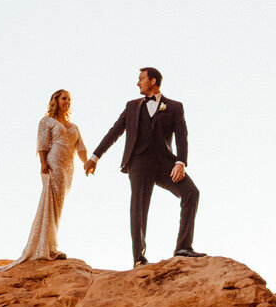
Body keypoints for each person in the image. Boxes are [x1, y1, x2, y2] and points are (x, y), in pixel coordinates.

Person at [85, 67, 204, 267]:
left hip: (166, 163)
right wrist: (95, 157)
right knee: (139, 207)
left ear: (153, 81)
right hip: (139, 162)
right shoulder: (132, 106)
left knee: (192, 193)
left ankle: (183, 247)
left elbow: (182, 137)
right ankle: (139, 259)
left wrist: (180, 162)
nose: (137, 83)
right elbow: (115, 131)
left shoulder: (174, 107)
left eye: (141, 78)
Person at [10, 88, 88, 263]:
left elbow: (81, 147)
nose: (67, 102)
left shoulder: (74, 126)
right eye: (63, 98)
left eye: (69, 99)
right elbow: (43, 144)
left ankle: (51, 244)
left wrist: (87, 163)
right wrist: (43, 163)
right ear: (55, 100)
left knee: (58, 204)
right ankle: (47, 247)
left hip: (68, 168)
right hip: (53, 165)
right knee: (50, 202)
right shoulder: (47, 121)